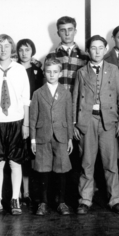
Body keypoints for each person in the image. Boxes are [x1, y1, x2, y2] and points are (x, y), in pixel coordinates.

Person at [73, 35, 119, 215]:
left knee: (110, 163)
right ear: (88, 51)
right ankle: (85, 200)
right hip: (87, 121)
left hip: (108, 121)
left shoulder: (113, 70)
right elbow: (75, 100)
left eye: (100, 48)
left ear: (105, 50)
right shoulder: (81, 72)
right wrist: (74, 123)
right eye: (93, 48)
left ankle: (115, 200)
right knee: (86, 162)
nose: (97, 51)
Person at [0, 34, 30, 216]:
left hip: (16, 121)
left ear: (12, 49)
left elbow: (26, 100)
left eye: (7, 46)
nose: (3, 50)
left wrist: (25, 125)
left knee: (15, 163)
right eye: (0, 46)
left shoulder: (19, 70)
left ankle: (15, 199)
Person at [29, 59, 73, 216]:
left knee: (61, 170)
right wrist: (33, 139)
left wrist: (69, 138)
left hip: (61, 135)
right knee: (43, 170)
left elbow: (69, 116)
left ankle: (61, 202)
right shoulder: (38, 93)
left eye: (55, 72)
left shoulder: (66, 93)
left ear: (60, 73)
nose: (52, 74)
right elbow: (33, 117)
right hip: (42, 136)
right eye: (48, 71)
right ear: (44, 72)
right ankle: (43, 202)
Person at [17, 38, 44, 207]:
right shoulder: (13, 68)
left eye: (27, 50)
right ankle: (17, 192)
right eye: (21, 50)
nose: (24, 53)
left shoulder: (37, 70)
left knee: (30, 156)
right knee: (17, 155)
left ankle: (27, 192)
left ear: (32, 51)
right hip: (17, 115)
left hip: (33, 115)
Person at [44, 16, 89, 92]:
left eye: (70, 30)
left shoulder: (85, 56)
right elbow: (45, 83)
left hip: (77, 101)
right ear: (58, 33)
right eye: (63, 30)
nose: (67, 33)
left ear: (75, 31)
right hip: (57, 100)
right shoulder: (51, 56)